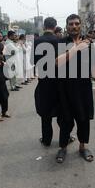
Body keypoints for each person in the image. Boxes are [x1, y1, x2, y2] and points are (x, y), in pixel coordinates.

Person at [55, 14, 95, 164]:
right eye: (71, 24)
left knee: (83, 119)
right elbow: (57, 63)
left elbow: (94, 65)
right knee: (65, 120)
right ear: (67, 26)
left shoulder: (89, 44)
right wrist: (76, 48)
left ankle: (83, 146)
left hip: (83, 88)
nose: (74, 26)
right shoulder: (61, 42)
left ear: (80, 25)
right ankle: (62, 147)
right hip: (64, 88)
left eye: (76, 23)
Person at [34, 18, 60, 147]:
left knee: (45, 112)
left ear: (44, 26)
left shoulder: (37, 40)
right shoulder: (59, 40)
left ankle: (46, 139)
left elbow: (33, 61)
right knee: (62, 110)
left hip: (44, 80)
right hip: (59, 81)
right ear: (55, 27)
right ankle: (64, 138)